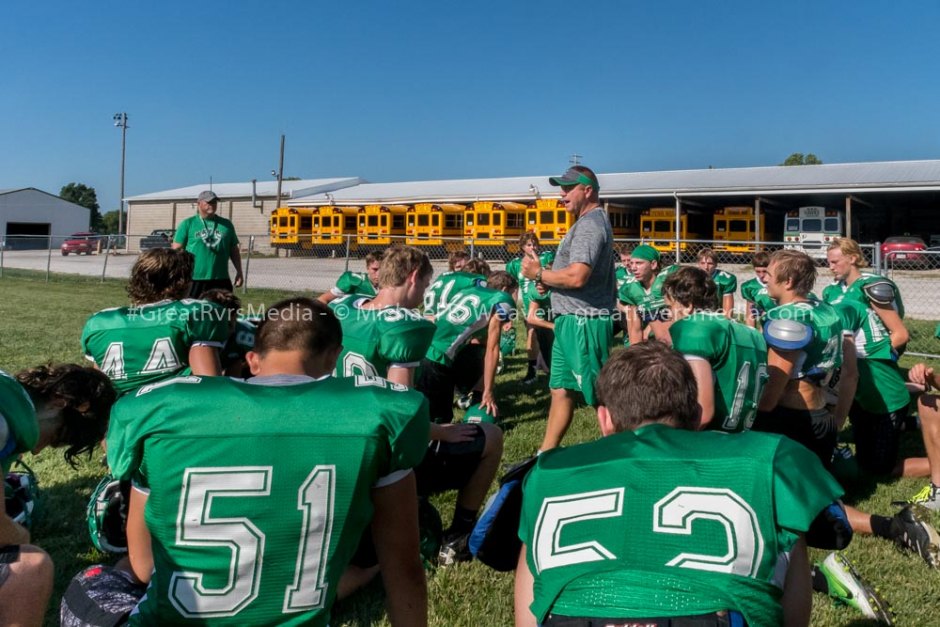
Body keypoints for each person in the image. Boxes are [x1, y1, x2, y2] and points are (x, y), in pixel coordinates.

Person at [87, 298, 429, 625]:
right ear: (334, 357)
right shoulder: (377, 416)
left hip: (173, 618)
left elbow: (144, 565)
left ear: (252, 359)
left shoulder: (161, 411)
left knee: (91, 584)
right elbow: (404, 569)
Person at [514, 342, 844, 627]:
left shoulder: (549, 468)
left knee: (533, 540)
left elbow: (530, 590)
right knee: (787, 530)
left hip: (573, 618)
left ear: (604, 419)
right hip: (711, 615)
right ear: (697, 412)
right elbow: (828, 523)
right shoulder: (770, 454)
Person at [754, 250, 939, 568]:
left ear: (788, 280)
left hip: (792, 416)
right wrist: (838, 416)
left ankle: (891, 526)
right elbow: (849, 371)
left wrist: (758, 413)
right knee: (811, 494)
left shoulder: (787, 319)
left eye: (769, 272)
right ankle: (892, 526)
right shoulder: (825, 311)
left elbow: (776, 383)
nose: (763, 277)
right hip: (821, 413)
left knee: (788, 498)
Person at [1, 365, 115, 627]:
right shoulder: (8, 417)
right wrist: (19, 535)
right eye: (56, 437)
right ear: (57, 402)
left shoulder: (6, 388)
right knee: (31, 564)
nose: (37, 451)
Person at [415, 271, 515, 565]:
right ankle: (441, 524)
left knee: (433, 423)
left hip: (426, 352)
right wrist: (488, 391)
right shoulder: (502, 299)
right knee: (436, 438)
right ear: (509, 289)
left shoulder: (473, 288)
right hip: (438, 362)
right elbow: (494, 346)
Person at [521, 166, 615, 451]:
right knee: (560, 390)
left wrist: (539, 275)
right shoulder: (586, 222)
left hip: (583, 321)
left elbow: (577, 276)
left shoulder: (589, 224)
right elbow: (572, 276)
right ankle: (544, 456)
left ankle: (621, 457)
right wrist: (549, 280)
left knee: (601, 394)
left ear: (588, 190)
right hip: (570, 320)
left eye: (567, 188)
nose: (561, 195)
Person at [81, 248, 229, 395]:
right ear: (183, 282)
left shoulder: (100, 322)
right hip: (169, 412)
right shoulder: (195, 313)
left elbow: (99, 390)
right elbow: (210, 386)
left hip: (118, 414)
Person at [823, 238, 912, 477]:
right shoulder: (830, 291)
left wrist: (877, 357)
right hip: (851, 378)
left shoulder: (872, 285)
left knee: (880, 470)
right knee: (864, 460)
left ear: (852, 258)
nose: (830, 266)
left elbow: (900, 333)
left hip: (875, 378)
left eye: (835, 261)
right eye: (828, 262)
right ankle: (910, 421)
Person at [663, 266, 768, 432]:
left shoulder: (694, 328)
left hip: (710, 438)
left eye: (670, 307)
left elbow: (703, 414)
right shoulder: (752, 333)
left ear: (687, 305)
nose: (668, 315)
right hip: (745, 435)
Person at [329, 245, 436, 388]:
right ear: (414, 277)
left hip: (334, 403)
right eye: (425, 285)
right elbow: (399, 400)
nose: (423, 295)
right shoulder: (402, 325)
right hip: (372, 408)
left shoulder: (339, 306)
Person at [172, 190, 243, 298]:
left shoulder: (226, 224)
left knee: (223, 312)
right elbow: (176, 250)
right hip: (195, 279)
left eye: (214, 202)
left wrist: (239, 271)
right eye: (209, 202)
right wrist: (178, 273)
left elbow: (233, 249)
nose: (212, 205)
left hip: (220, 279)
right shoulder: (188, 224)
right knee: (193, 312)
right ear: (199, 203)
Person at [507, 232, 555, 385]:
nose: (532, 247)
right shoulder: (515, 264)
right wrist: (510, 311)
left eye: (534, 244)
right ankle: (532, 370)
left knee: (548, 337)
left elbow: (551, 274)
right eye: (529, 244)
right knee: (531, 333)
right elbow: (513, 289)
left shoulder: (545, 257)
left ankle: (547, 367)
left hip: (547, 302)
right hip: (529, 306)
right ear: (522, 246)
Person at [617, 244, 678, 345]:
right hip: (658, 345)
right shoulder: (631, 288)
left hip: (680, 342)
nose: (633, 267)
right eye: (632, 263)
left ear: (653, 264)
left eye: (639, 263)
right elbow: (634, 328)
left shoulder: (668, 279)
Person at [318, 250, 382, 305]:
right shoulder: (355, 281)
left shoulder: (390, 284)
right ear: (367, 267)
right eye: (375, 269)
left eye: (383, 269)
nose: (379, 274)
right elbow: (323, 299)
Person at [696, 247, 737, 318]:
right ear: (698, 264)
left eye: (710, 263)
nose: (706, 267)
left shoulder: (724, 279)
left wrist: (725, 322)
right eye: (702, 263)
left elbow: (727, 312)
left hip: (717, 315)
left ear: (715, 264)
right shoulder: (691, 277)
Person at [740, 251, 775, 329]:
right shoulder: (750, 286)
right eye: (758, 272)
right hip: (764, 324)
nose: (761, 275)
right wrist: (751, 334)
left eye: (765, 271)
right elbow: (750, 315)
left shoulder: (780, 284)